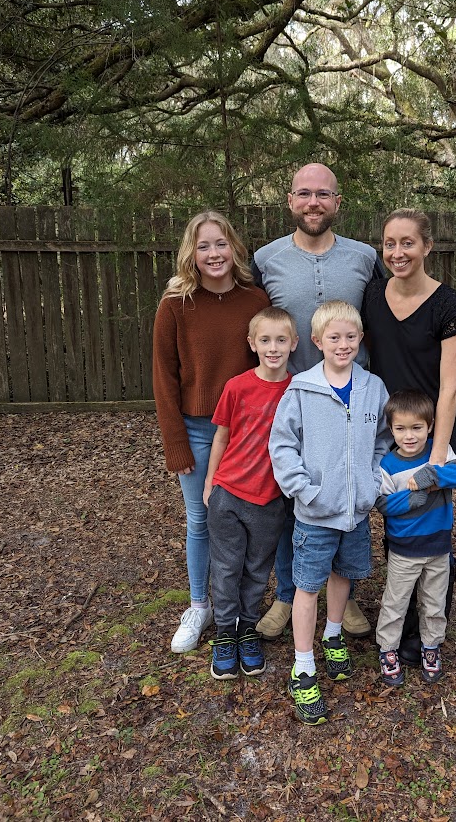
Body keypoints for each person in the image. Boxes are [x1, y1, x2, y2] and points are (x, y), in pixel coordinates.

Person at [252, 163, 385, 641]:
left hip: (349, 402)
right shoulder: (266, 259)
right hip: (290, 399)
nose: (313, 202)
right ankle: (288, 595)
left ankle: (340, 599)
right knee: (294, 502)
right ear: (290, 200)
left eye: (323, 195)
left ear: (337, 202)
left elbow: (385, 319)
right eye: (304, 194)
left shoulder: (366, 258)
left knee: (343, 499)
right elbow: (254, 327)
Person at [362, 208, 456, 664]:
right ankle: (401, 617)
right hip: (390, 432)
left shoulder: (451, 307)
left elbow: (449, 389)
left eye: (407, 243)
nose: (397, 252)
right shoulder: (373, 296)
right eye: (389, 243)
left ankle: (423, 635)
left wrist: (434, 457)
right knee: (398, 524)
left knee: (431, 520)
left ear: (427, 247)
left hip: (431, 434)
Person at [153, 210, 269, 654]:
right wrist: (176, 443)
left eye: (220, 243)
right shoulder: (175, 305)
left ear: (234, 248)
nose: (213, 253)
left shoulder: (254, 300)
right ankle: (199, 605)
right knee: (201, 520)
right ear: (192, 253)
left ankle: (249, 607)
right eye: (204, 246)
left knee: (257, 520)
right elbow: (163, 378)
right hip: (198, 431)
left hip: (249, 432)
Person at [269, 301, 390, 725]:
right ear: (318, 342)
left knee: (344, 576)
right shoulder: (301, 388)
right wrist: (304, 489)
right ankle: (303, 667)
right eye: (333, 338)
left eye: (350, 337)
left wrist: (372, 482)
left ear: (360, 339)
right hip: (315, 514)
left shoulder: (373, 387)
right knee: (307, 585)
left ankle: (333, 635)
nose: (343, 344)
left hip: (356, 514)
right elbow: (282, 444)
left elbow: (382, 439)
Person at [202, 307, 298, 680]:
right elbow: (221, 436)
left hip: (271, 499)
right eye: (265, 340)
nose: (272, 348)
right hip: (229, 493)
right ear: (252, 344)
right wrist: (211, 483)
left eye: (280, 340)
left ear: (293, 343)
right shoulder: (237, 387)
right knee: (227, 568)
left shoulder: (300, 389)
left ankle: (247, 629)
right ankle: (225, 634)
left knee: (258, 569)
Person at [375, 391, 456, 687]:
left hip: (438, 547)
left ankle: (431, 647)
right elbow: (384, 505)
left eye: (417, 428)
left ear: (430, 426)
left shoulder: (438, 454)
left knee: (433, 602)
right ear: (391, 429)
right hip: (404, 550)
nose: (409, 436)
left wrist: (433, 477)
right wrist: (416, 495)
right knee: (396, 602)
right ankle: (388, 649)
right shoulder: (388, 465)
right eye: (401, 429)